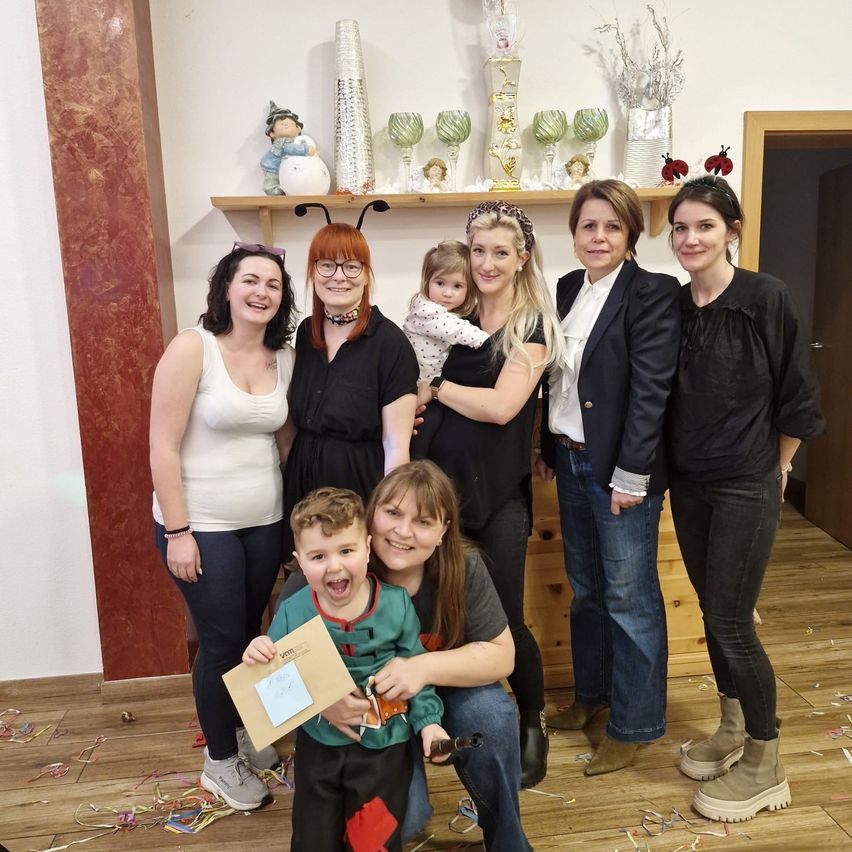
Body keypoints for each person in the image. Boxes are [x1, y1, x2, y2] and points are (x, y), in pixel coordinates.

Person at [666, 176, 824, 822]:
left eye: (704, 225)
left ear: (732, 229)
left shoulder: (766, 298)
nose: (690, 238)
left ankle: (766, 759)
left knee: (733, 621)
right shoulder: (674, 307)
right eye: (679, 227)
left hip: (745, 482)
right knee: (711, 611)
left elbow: (796, 394)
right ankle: (731, 727)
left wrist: (780, 466)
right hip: (690, 483)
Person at [282, 461, 532, 850]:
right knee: (408, 817)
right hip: (374, 719)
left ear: (443, 530)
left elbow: (503, 658)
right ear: (371, 515)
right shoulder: (329, 572)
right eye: (392, 513)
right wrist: (319, 701)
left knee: (493, 715)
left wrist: (420, 667)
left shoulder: (464, 567)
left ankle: (508, 842)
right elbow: (270, 679)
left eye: (423, 521)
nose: (402, 532)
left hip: (444, 691)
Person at [421, 200, 566, 787]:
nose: (486, 262)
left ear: (521, 259)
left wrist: (434, 387)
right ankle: (444, 722)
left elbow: (503, 406)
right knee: (435, 612)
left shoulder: (530, 325)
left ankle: (531, 719)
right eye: (478, 250)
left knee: (504, 615)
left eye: (499, 252)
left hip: (498, 496)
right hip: (436, 498)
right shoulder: (448, 309)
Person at [538, 179, 680, 775]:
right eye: (588, 226)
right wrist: (548, 444)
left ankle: (636, 722)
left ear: (631, 235)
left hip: (621, 472)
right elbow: (560, 378)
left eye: (611, 227)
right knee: (586, 588)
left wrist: (632, 473)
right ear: (574, 235)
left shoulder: (653, 292)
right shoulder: (569, 287)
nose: (598, 236)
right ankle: (592, 697)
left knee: (630, 596)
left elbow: (651, 391)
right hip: (570, 459)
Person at [149, 241, 297, 811]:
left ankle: (237, 730)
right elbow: (162, 447)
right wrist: (179, 531)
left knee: (250, 636)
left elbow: (284, 441)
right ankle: (218, 761)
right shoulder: (194, 348)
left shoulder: (284, 359)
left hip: (263, 520)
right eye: (250, 281)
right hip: (200, 524)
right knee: (220, 644)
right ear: (227, 289)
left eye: (273, 285)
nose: (261, 292)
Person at [244, 487, 448, 852]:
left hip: (384, 749)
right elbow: (272, 681)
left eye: (347, 551)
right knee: (313, 839)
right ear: (299, 561)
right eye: (319, 556)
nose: (335, 566)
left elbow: (415, 670)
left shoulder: (396, 604)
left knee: (374, 840)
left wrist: (429, 722)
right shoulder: (292, 611)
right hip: (319, 747)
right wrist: (259, 651)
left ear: (368, 548)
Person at [282, 221, 419, 555]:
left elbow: (396, 448)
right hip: (302, 486)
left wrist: (388, 517)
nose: (338, 276)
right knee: (308, 590)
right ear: (313, 272)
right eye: (327, 265)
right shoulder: (305, 333)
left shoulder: (389, 343)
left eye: (351, 266)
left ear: (366, 273)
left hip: (358, 486)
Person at [403, 240, 490, 457]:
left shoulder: (439, 311)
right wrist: (491, 338)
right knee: (424, 435)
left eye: (457, 286)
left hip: (425, 388)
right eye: (440, 283)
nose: (447, 293)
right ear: (427, 281)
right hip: (416, 388)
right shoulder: (430, 313)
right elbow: (463, 333)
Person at [260, 102, 316, 196]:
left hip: (284, 167)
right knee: (272, 178)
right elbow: (289, 149)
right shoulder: (282, 142)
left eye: (290, 124)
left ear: (298, 129)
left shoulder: (296, 141)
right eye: (282, 124)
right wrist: (306, 150)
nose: (286, 125)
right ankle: (270, 189)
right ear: (272, 133)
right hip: (272, 165)